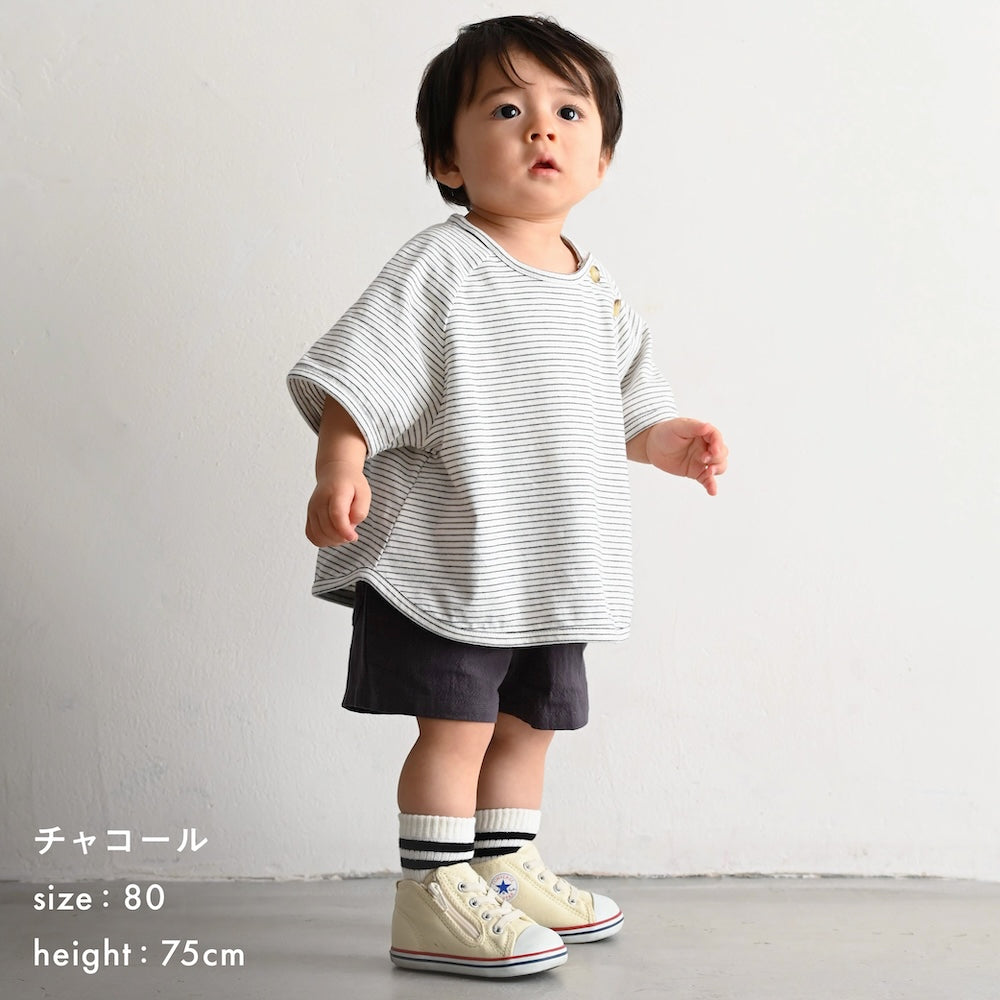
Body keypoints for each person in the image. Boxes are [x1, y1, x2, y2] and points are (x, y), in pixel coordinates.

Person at [288, 14, 728, 979]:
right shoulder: (440, 266)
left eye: (569, 112)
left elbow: (627, 409)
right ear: (448, 160)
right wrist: (340, 465)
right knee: (458, 727)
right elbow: (360, 375)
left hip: (552, 564)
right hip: (454, 557)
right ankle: (430, 893)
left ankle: (502, 865)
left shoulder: (598, 289)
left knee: (530, 725)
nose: (540, 129)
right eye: (505, 109)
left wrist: (669, 442)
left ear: (601, 159)